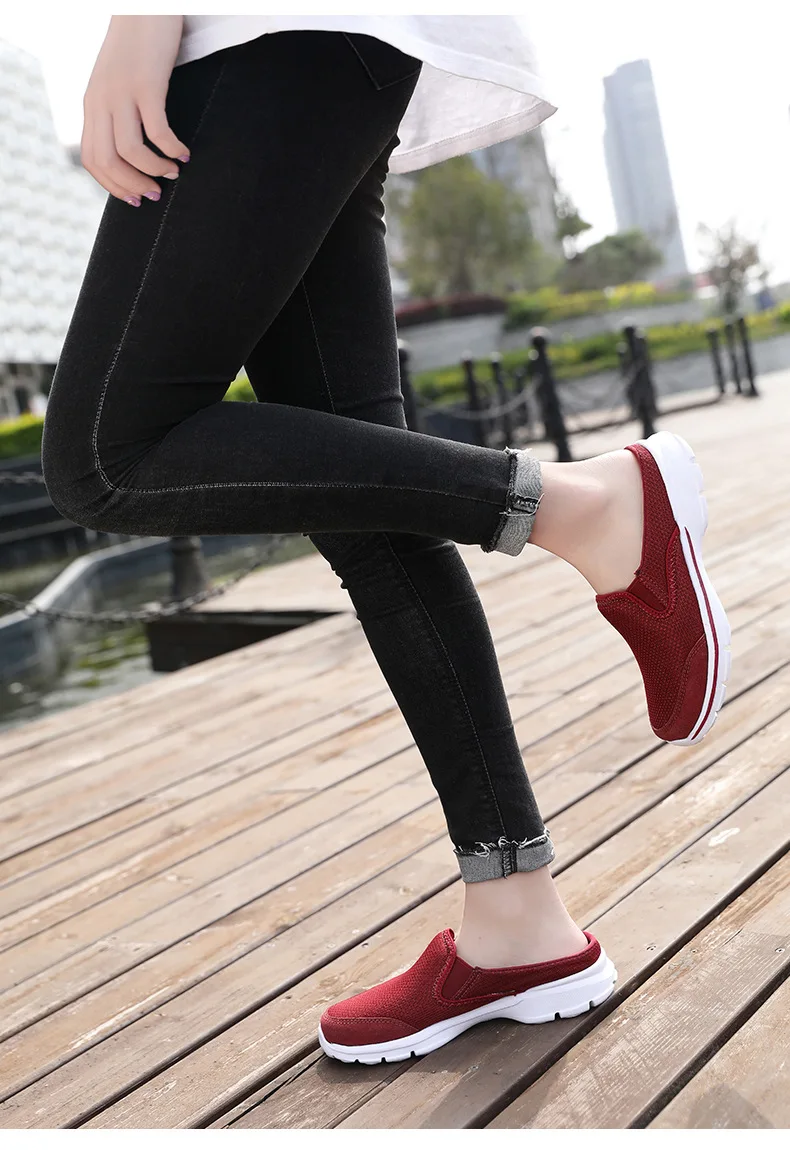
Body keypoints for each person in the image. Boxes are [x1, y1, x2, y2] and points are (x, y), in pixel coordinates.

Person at [41, 15, 731, 1065]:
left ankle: (584, 506)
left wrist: (140, 21)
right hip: (324, 46)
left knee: (108, 453)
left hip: (262, 37)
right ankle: (519, 917)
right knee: (373, 521)